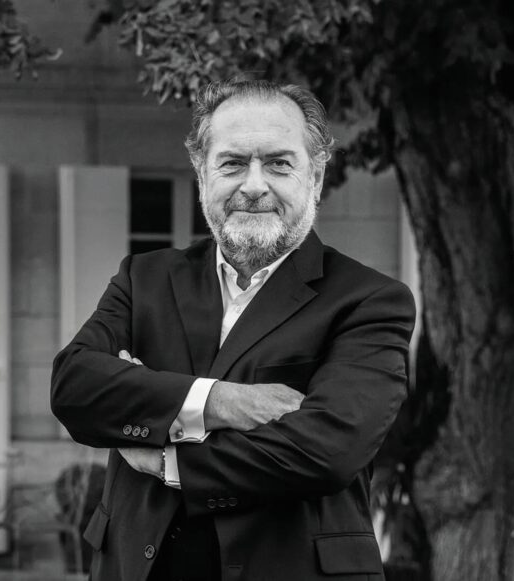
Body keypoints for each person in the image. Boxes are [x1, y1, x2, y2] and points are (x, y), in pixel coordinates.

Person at [51, 79, 416, 581]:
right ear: (202, 173)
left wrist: (164, 457)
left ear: (315, 177)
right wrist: (220, 402)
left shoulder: (369, 300)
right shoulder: (144, 279)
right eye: (233, 163)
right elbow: (75, 388)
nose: (254, 185)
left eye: (279, 163)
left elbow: (328, 450)